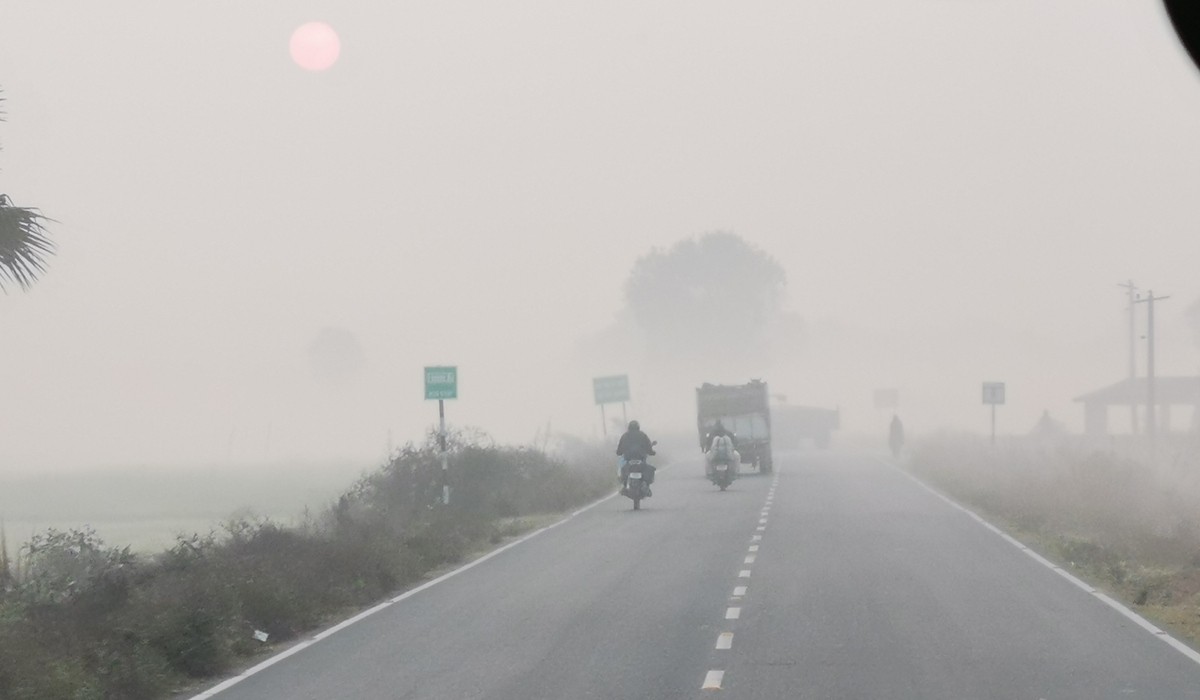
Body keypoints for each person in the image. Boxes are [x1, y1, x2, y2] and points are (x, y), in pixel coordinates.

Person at [616, 420, 657, 494]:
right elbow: (648, 447)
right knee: (648, 469)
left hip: (628, 459)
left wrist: (619, 452)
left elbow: (619, 450)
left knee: (622, 470)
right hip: (640, 458)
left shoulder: (625, 436)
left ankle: (624, 486)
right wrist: (652, 452)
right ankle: (645, 484)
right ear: (638, 427)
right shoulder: (643, 435)